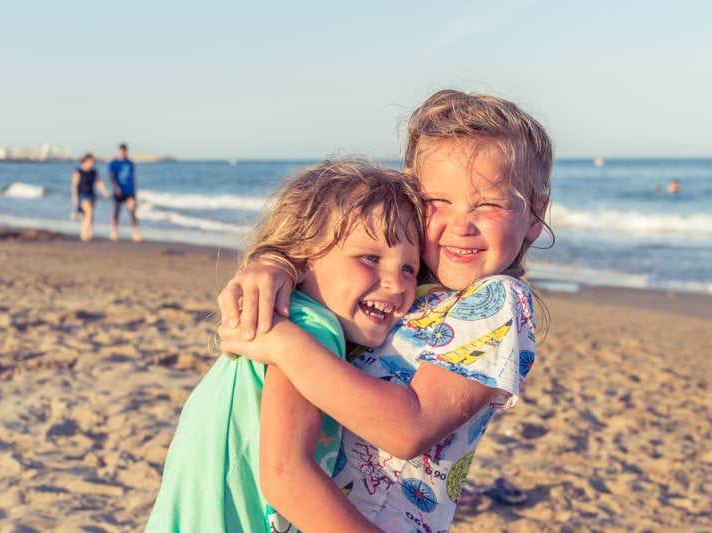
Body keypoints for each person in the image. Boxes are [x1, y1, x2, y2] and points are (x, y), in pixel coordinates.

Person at [217, 90, 553, 530]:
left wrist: (283, 343)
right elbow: (334, 252)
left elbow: (408, 429)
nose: (461, 224)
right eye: (438, 202)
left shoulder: (498, 301)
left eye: (488, 203)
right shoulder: (408, 287)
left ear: (534, 213)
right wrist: (276, 264)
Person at [147, 158, 424, 532]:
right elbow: (286, 476)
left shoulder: (295, 318)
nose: (395, 282)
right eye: (370, 258)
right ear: (303, 257)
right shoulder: (310, 328)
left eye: (409, 268)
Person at [70, 153, 110, 241]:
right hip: (82, 195)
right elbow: (74, 185)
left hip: (92, 195)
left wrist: (104, 192)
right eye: (91, 161)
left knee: (89, 215)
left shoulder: (94, 172)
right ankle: (85, 233)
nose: (93, 163)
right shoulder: (78, 171)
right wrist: (74, 197)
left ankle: (87, 231)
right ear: (86, 161)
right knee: (89, 212)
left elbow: (99, 182)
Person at [108, 143, 142, 242]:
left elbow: (133, 177)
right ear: (118, 151)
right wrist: (116, 187)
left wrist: (135, 190)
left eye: (124, 151)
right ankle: (113, 232)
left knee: (133, 211)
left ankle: (136, 233)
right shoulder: (114, 163)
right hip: (119, 191)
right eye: (121, 151)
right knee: (116, 212)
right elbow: (111, 177)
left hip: (130, 191)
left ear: (126, 151)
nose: (122, 153)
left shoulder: (130, 163)